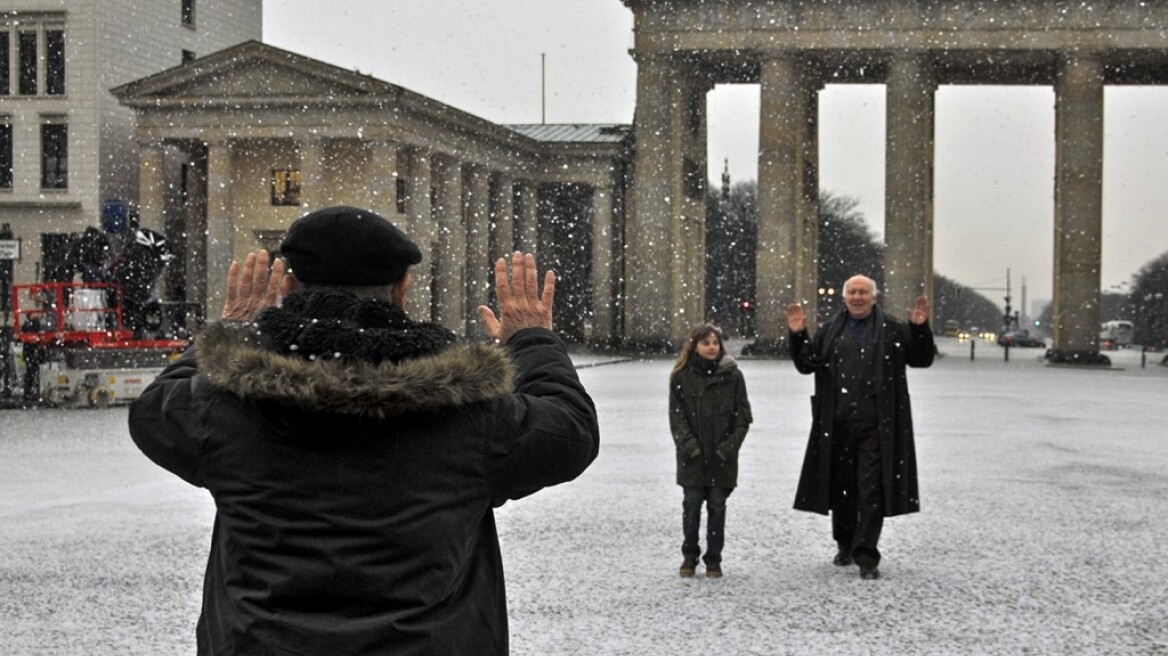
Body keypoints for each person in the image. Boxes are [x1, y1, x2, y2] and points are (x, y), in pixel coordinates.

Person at [128, 205, 600, 655]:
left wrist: (232, 331)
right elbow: (570, 431)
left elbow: (152, 413)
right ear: (403, 288)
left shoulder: (229, 404)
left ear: (289, 286)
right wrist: (532, 338)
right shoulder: (466, 409)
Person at [785, 274, 934, 580]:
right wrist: (798, 335)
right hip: (837, 422)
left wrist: (919, 329)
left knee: (871, 489)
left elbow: (921, 359)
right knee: (842, 488)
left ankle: (866, 555)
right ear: (844, 298)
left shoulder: (892, 328)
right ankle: (844, 543)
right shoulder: (830, 330)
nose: (857, 297)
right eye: (852, 292)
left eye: (863, 292)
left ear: (874, 297)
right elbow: (806, 364)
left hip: (877, 424)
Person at [669, 323, 752, 578]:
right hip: (692, 459)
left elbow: (743, 418)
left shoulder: (734, 377)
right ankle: (690, 555)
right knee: (691, 506)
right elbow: (677, 417)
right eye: (706, 343)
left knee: (717, 508)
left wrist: (727, 449)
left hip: (721, 459)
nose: (712, 347)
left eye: (715, 342)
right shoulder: (681, 376)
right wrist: (690, 447)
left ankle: (714, 559)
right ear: (694, 346)